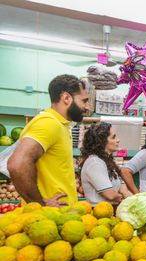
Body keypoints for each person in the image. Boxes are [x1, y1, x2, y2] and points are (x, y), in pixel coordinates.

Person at [7, 74, 90, 207]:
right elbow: (17, 163)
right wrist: (39, 204)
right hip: (46, 220)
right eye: (84, 101)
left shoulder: (62, 125)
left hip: (59, 218)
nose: (88, 107)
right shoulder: (49, 123)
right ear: (66, 98)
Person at [78, 122, 132, 208]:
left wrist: (137, 201)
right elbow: (110, 195)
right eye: (113, 137)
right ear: (102, 142)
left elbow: (124, 190)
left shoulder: (107, 162)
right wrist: (121, 197)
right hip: (99, 213)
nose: (118, 140)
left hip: (110, 210)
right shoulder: (95, 163)